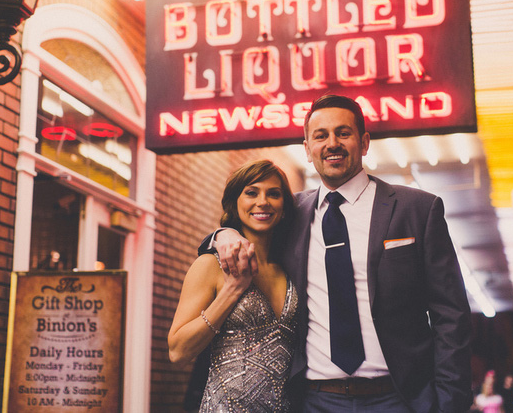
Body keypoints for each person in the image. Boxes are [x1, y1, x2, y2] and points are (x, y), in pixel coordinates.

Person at [203, 94, 473, 412]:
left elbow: (451, 315)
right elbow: (244, 225)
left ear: (364, 142)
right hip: (316, 399)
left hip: (400, 397)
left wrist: (450, 401)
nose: (332, 143)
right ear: (307, 149)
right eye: (321, 135)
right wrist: (224, 234)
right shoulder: (290, 214)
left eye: (343, 133)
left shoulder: (418, 209)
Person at [168, 159, 298, 412]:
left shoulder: (291, 268)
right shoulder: (210, 265)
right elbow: (177, 351)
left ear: (284, 208)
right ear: (234, 203)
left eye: (274, 194)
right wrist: (232, 290)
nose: (263, 201)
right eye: (251, 192)